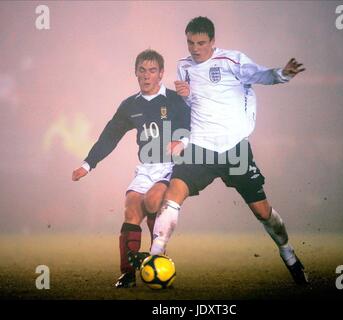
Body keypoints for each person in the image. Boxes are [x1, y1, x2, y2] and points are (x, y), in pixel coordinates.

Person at [145, 16, 308, 285]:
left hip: (234, 149)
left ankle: (288, 254)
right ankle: (155, 256)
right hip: (200, 147)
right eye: (190, 42)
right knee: (173, 195)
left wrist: (282, 73)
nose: (195, 48)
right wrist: (185, 99)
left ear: (212, 42)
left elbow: (261, 74)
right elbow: (190, 108)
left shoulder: (232, 61)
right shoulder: (183, 66)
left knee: (263, 212)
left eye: (201, 43)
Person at [71, 49, 190, 288]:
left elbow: (192, 124)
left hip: (170, 166)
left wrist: (182, 141)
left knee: (154, 200)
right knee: (131, 210)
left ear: (161, 74)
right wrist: (88, 164)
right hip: (146, 168)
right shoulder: (129, 105)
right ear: (136, 73)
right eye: (142, 70)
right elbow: (109, 136)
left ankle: (156, 255)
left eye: (152, 70)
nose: (147, 76)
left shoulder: (175, 100)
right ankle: (128, 273)